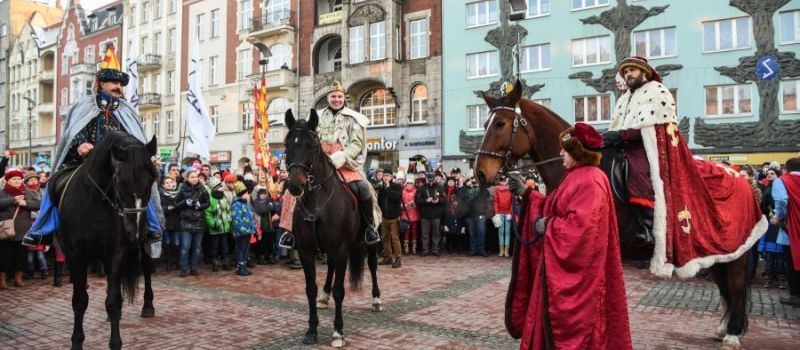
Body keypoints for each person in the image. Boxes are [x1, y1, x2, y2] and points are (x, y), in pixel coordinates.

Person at [602, 56, 764, 277]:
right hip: (625, 145)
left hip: (648, 146)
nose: (628, 74)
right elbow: (620, 125)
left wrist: (620, 134)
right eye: (626, 71)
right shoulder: (624, 98)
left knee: (638, 172)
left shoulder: (656, 91)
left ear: (644, 73)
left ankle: (647, 229)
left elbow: (654, 127)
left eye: (632, 70)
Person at [22, 45, 162, 247]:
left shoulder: (126, 110)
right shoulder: (84, 105)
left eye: (120, 84)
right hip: (84, 162)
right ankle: (40, 230)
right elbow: (73, 131)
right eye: (114, 82)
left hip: (118, 163)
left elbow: (134, 137)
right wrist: (80, 144)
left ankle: (151, 228)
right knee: (54, 182)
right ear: (100, 83)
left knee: (139, 185)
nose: (118, 87)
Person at [510, 123, 632, 349]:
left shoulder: (591, 179)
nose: (560, 154)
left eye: (565, 150)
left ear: (577, 152)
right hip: (551, 271)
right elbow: (553, 207)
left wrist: (548, 225)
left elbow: (583, 228)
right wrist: (527, 194)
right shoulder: (575, 176)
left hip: (587, 281)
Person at [278, 81, 381, 247]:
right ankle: (290, 231)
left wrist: (341, 156)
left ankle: (369, 228)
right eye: (333, 96)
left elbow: (356, 144)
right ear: (328, 98)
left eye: (339, 96)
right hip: (318, 161)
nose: (336, 99)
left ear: (343, 98)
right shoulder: (316, 117)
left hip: (344, 162)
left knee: (363, 187)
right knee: (292, 190)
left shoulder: (353, 118)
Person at [0, 170, 41, 289]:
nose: (17, 181)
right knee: (4, 256)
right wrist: (13, 200)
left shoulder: (27, 192)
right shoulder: (2, 192)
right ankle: (3, 278)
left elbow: (39, 205)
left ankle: (19, 277)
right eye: (14, 179)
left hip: (23, 229)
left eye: (19, 179)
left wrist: (25, 203)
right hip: (5, 229)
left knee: (21, 255)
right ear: (7, 181)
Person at [772, 157, 800, 307]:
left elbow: (782, 200)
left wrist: (779, 216)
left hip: (791, 227)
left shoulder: (782, 181)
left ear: (787, 168)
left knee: (791, 261)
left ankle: (795, 295)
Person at [176, 170, 210, 277]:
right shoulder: (182, 189)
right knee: (185, 247)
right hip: (186, 222)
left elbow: (207, 203)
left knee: (196, 247)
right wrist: (184, 202)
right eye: (192, 177)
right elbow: (176, 204)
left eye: (196, 177)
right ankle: (184, 268)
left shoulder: (202, 188)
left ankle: (194, 267)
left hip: (199, 222)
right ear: (187, 178)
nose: (195, 179)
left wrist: (201, 205)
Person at [205, 175, 232, 272]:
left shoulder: (223, 197)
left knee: (225, 247)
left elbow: (228, 210)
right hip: (215, 228)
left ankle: (225, 262)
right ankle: (215, 263)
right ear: (216, 188)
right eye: (220, 186)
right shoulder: (211, 199)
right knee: (214, 247)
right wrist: (213, 224)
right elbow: (208, 213)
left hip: (225, 227)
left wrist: (228, 220)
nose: (222, 187)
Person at [376, 170, 403, 268]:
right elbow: (379, 202)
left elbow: (396, 198)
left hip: (394, 217)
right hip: (384, 217)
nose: (385, 177)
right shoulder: (382, 188)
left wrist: (388, 187)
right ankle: (388, 257)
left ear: (391, 177)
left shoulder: (396, 186)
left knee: (395, 238)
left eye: (387, 175)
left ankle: (398, 258)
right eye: (384, 175)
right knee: (384, 238)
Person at [415, 172, 445, 256]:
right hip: (425, 214)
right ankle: (425, 250)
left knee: (436, 233)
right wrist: (425, 200)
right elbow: (416, 200)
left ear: (435, 178)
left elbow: (445, 200)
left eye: (432, 180)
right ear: (426, 179)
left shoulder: (440, 187)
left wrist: (438, 200)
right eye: (429, 180)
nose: (431, 182)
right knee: (425, 233)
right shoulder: (421, 188)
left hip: (436, 214)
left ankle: (435, 250)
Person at [230, 181, 256, 276]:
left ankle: (244, 265)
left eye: (247, 193)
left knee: (246, 249)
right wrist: (242, 229)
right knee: (240, 249)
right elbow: (236, 219)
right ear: (240, 194)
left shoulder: (246, 204)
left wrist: (253, 227)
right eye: (245, 193)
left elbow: (251, 217)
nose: (247, 195)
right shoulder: (236, 204)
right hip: (241, 232)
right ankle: (240, 266)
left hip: (248, 231)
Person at [493, 176, 513, 257]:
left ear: (507, 181)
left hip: (508, 213)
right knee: (501, 232)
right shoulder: (497, 190)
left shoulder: (510, 189)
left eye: (504, 181)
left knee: (507, 231)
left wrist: (510, 213)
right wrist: (497, 213)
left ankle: (506, 250)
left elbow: (512, 202)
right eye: (502, 181)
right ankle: (501, 250)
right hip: (500, 213)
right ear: (500, 182)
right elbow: (496, 201)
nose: (503, 182)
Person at [401, 175, 419, 255]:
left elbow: (419, 201)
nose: (409, 185)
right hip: (405, 214)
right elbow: (400, 202)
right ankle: (406, 247)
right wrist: (404, 206)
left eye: (411, 184)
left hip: (414, 213)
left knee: (414, 231)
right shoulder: (403, 192)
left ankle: (414, 247)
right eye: (408, 184)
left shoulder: (416, 192)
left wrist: (416, 204)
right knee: (406, 231)